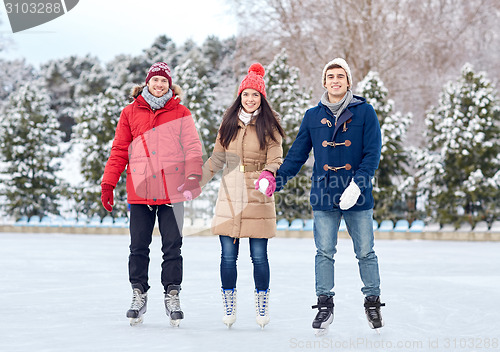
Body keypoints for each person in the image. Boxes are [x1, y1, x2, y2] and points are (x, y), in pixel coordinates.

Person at [274, 58, 385, 334]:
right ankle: (325, 304)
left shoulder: (365, 112)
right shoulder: (313, 115)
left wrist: (358, 185)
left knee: (365, 252)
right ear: (324, 82)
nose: (335, 81)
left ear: (348, 82)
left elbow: (373, 153)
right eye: (330, 77)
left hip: (357, 195)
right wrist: (276, 181)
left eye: (340, 76)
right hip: (324, 194)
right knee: (324, 252)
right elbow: (297, 154)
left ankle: (372, 301)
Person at [100, 62, 203, 327]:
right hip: (140, 189)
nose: (159, 86)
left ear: (170, 86)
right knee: (138, 247)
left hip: (173, 191)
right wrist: (108, 183)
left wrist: (193, 178)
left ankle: (172, 294)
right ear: (147, 83)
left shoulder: (181, 112)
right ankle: (138, 293)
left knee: (172, 247)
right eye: (155, 81)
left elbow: (192, 147)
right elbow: (120, 150)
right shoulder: (130, 113)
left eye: (164, 82)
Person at [200, 63, 284, 329]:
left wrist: (269, 174)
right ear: (240, 96)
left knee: (259, 255)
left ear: (262, 98)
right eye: (246, 94)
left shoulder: (269, 125)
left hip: (258, 192)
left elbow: (276, 157)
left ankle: (261, 302)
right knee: (227, 255)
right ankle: (229, 303)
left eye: (255, 95)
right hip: (230, 192)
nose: (250, 99)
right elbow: (216, 158)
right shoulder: (228, 123)